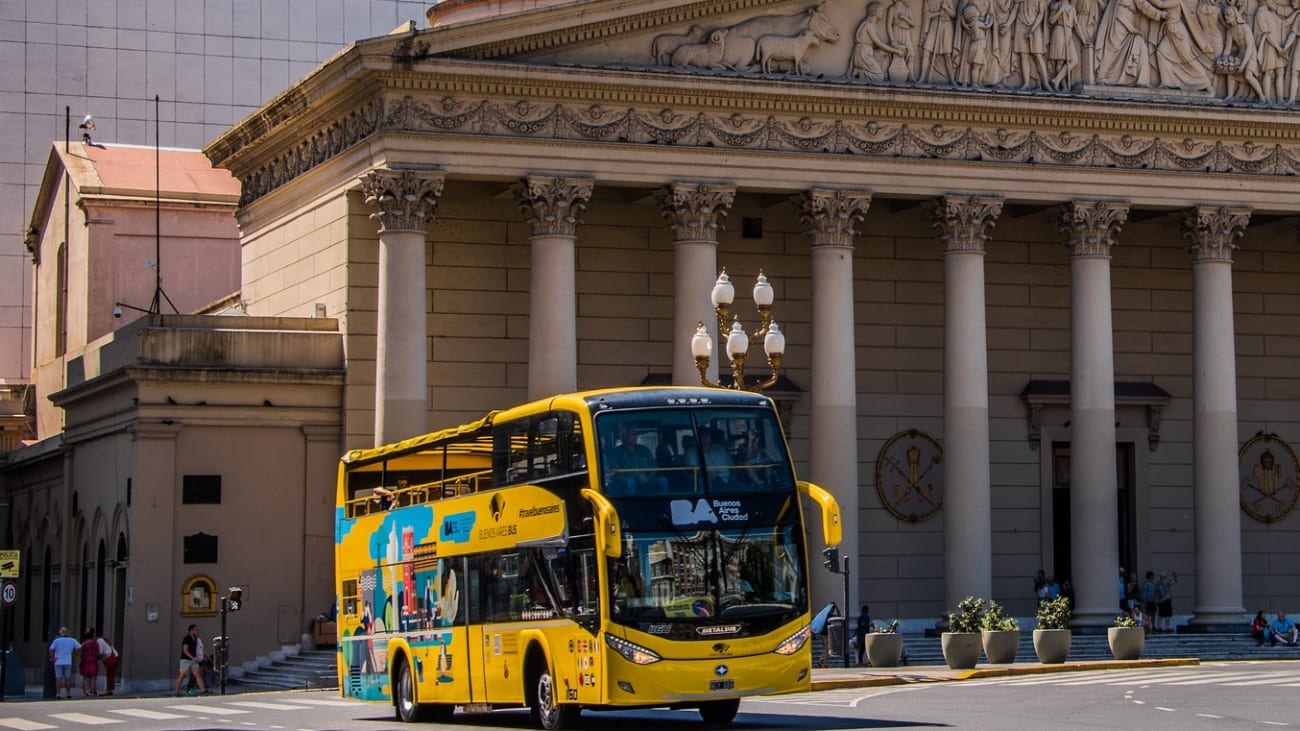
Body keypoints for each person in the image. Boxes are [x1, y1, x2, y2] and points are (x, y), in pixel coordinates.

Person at [604, 423, 666, 494]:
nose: (635, 436)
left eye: (636, 434)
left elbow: (654, 468)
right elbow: (613, 474)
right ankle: (630, 504)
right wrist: (631, 479)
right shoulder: (615, 453)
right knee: (630, 482)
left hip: (645, 482)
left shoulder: (644, 450)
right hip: (624, 486)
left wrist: (647, 478)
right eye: (632, 434)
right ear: (624, 436)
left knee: (662, 481)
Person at [175, 624, 209, 696]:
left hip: (194, 660)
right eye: (196, 629)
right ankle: (176, 692)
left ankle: (203, 690)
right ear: (191, 630)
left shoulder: (196, 639)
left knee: (197, 675)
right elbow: (185, 650)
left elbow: (199, 649)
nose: (197, 631)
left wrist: (201, 656)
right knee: (182, 676)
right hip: (185, 660)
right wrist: (192, 657)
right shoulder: (186, 638)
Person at [48, 627, 80, 700]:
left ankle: (58, 694)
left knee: (58, 678)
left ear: (61, 633)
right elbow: (79, 647)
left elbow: (51, 649)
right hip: (68, 661)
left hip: (58, 661)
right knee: (67, 678)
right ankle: (68, 694)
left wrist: (53, 658)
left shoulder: (57, 641)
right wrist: (74, 655)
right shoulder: (72, 640)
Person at [79, 627, 100, 697]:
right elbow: (98, 653)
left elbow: (81, 654)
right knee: (93, 677)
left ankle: (85, 692)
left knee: (85, 678)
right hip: (93, 661)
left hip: (85, 661)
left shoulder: (84, 644)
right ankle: (92, 692)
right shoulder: (96, 644)